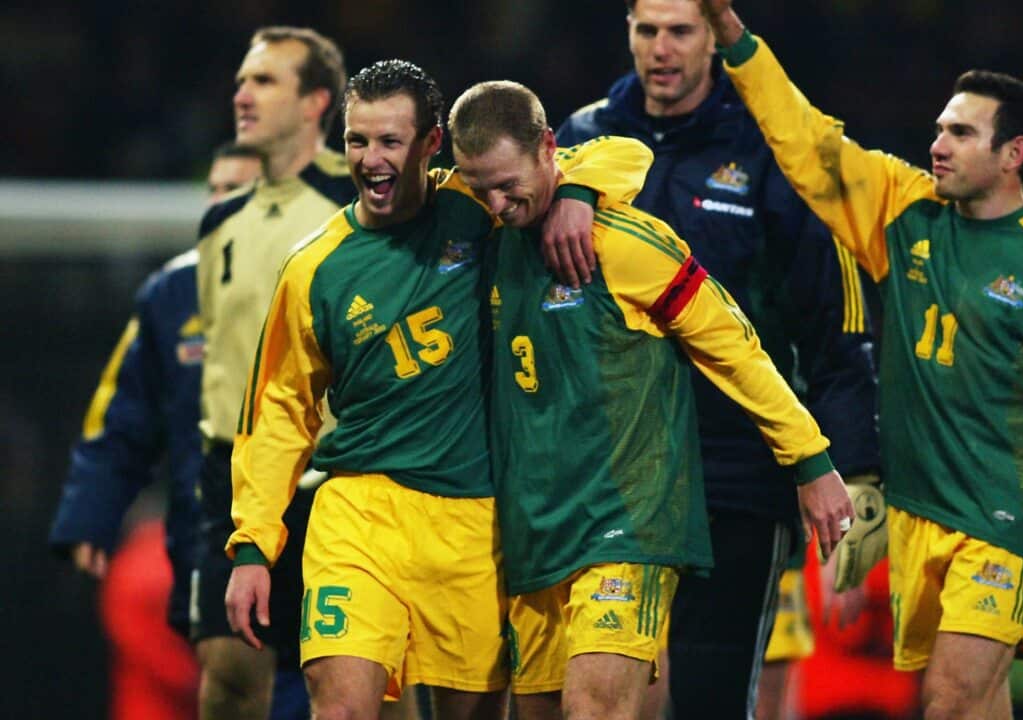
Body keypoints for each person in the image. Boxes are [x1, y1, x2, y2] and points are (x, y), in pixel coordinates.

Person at [695, 3, 1023, 718]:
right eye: (939, 129)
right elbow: (807, 142)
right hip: (920, 515)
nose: (938, 144)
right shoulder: (903, 210)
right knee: (976, 704)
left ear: (1014, 154)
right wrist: (735, 38)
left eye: (960, 132)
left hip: (1004, 520)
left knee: (951, 699)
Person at [223, 59, 651, 720]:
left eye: (390, 141)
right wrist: (253, 545)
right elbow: (279, 410)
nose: (371, 159)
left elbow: (624, 153)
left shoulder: (479, 207)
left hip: (476, 523)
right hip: (359, 515)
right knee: (340, 710)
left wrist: (579, 193)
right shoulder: (314, 269)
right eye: (358, 140)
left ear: (430, 144)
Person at [449, 79, 854, 720]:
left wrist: (810, 459)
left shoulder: (629, 245)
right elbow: (615, 150)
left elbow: (737, 351)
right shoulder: (494, 233)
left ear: (549, 148)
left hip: (626, 524)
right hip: (536, 530)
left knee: (596, 709)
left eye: (506, 185)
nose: (496, 204)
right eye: (480, 189)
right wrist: (576, 186)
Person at [555, 1, 879, 715]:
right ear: (628, 30)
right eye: (647, 30)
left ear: (713, 37)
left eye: (681, 31)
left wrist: (853, 470)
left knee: (710, 699)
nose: (661, 49)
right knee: (595, 698)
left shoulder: (771, 152)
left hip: (733, 470)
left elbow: (834, 325)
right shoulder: (580, 141)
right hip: (604, 471)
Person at [46, 143, 264, 718]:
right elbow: (122, 410)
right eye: (215, 192)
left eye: (237, 194)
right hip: (198, 525)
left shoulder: (314, 282)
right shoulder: (171, 294)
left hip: (289, 525)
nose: (220, 205)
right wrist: (92, 509)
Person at [191, 26, 356, 720]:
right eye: (240, 81)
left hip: (336, 477)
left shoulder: (362, 203)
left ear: (316, 101)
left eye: (263, 81)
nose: (242, 95)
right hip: (233, 480)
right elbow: (220, 358)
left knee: (364, 685)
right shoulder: (219, 222)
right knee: (230, 679)